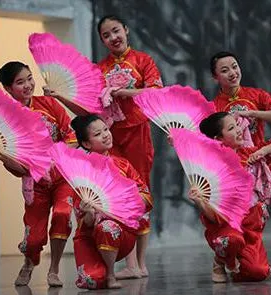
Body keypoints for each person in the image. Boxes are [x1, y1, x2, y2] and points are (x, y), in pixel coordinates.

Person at [0, 61, 77, 287]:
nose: (29, 85)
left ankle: (54, 270)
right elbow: (15, 167)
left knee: (62, 214)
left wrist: (57, 159)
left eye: (30, 78)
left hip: (62, 175)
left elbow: (70, 135)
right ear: (9, 89)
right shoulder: (5, 121)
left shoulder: (48, 104)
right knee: (34, 239)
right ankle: (29, 263)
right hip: (36, 182)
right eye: (20, 82)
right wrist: (4, 156)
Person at [96, 14, 162, 279]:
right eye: (106, 35)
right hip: (110, 136)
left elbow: (157, 92)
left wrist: (126, 93)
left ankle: (141, 263)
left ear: (126, 29)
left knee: (140, 193)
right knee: (118, 196)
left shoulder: (143, 60)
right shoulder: (99, 68)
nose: (113, 38)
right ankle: (131, 263)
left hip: (137, 132)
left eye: (116, 31)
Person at [190, 112, 271, 282]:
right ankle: (221, 259)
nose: (239, 130)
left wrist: (263, 151)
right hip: (226, 225)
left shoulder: (248, 153)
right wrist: (200, 202)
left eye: (236, 125)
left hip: (250, 225)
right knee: (231, 240)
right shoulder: (210, 169)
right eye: (231, 128)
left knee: (258, 272)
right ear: (218, 139)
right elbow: (214, 216)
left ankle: (237, 263)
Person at [70, 114, 153, 289]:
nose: (106, 135)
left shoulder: (123, 164)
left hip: (120, 233)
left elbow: (145, 196)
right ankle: (101, 271)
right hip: (90, 237)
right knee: (90, 281)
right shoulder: (81, 172)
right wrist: (89, 212)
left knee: (110, 226)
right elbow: (86, 223)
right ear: (86, 144)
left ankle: (111, 274)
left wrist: (131, 199)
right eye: (98, 134)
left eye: (106, 129)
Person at [210, 51, 271, 148]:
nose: (232, 73)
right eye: (225, 71)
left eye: (234, 67)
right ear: (215, 77)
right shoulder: (213, 108)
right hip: (233, 162)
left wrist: (252, 113)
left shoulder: (257, 95)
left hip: (260, 157)